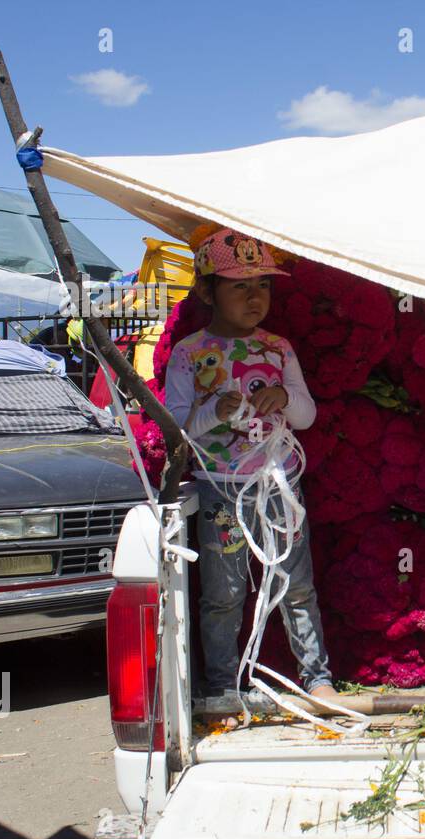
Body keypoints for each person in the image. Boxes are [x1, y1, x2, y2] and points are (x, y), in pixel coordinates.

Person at [163, 225, 347, 713]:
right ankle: (222, 687)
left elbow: (306, 416)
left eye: (262, 284)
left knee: (296, 582)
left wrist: (285, 397)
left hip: (279, 483)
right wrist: (214, 413)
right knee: (223, 592)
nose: (254, 296)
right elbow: (177, 431)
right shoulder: (188, 354)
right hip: (223, 491)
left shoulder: (278, 348)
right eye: (239, 285)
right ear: (207, 291)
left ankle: (317, 679)